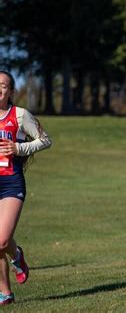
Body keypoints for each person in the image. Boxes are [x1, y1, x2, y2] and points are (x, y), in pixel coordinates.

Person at [0, 71, 52, 305]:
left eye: (3, 86)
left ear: (11, 91)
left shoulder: (20, 116)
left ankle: (17, 256)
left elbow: (45, 140)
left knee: (1, 241)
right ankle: (5, 293)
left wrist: (18, 149)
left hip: (11, 182)